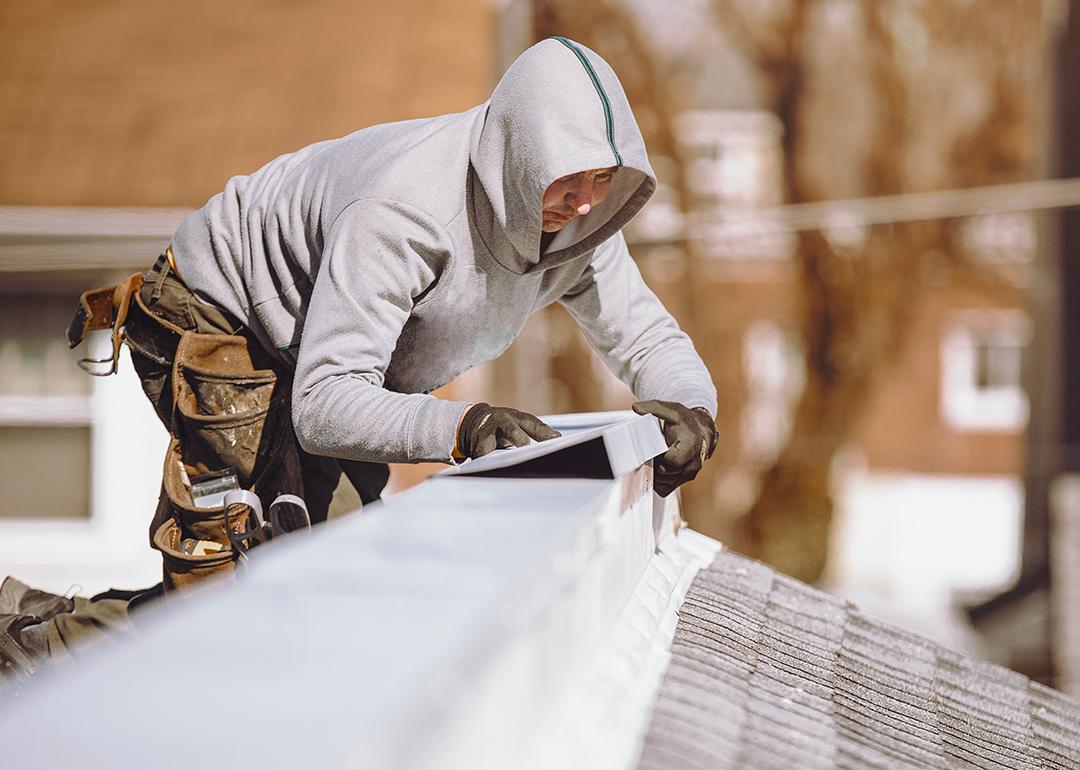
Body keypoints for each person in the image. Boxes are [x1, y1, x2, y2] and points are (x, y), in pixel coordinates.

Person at [83, 36, 719, 583]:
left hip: (321, 352)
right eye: (568, 180)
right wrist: (463, 428)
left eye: (603, 180)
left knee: (336, 568)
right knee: (246, 584)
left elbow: (647, 339)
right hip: (221, 310)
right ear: (521, 154)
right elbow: (327, 403)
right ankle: (36, 644)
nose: (584, 204)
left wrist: (693, 410)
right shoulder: (406, 212)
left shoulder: (577, 231)